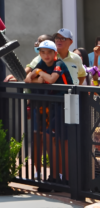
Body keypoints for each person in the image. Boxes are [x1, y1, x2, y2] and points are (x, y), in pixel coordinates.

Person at [25, 39, 72, 184]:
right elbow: (27, 80)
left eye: (49, 52)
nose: (46, 55)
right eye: (43, 52)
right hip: (51, 106)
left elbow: (51, 79)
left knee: (62, 141)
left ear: (55, 54)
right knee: (51, 139)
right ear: (39, 53)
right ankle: (55, 177)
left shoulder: (59, 64)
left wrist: (39, 74)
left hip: (65, 105)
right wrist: (37, 79)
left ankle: (64, 178)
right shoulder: (40, 64)